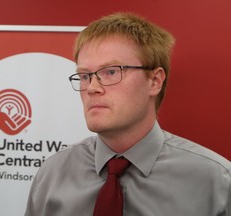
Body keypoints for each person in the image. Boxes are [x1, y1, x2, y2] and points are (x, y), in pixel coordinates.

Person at [25, 12, 231, 216]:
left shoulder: (216, 182)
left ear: (154, 81)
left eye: (111, 72)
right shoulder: (52, 174)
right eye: (85, 75)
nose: (91, 88)